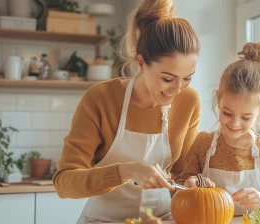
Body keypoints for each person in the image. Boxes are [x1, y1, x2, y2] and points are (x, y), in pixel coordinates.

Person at [52, 0, 201, 223]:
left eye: (187, 78)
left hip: (161, 219)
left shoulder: (189, 102)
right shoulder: (101, 98)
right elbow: (64, 184)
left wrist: (191, 184)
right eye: (168, 79)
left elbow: (182, 173)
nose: (177, 89)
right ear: (142, 64)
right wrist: (125, 171)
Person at [177, 42, 260, 215]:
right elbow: (179, 188)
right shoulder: (203, 144)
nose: (235, 123)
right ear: (218, 99)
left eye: (246, 117)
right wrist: (189, 185)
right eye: (227, 113)